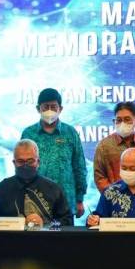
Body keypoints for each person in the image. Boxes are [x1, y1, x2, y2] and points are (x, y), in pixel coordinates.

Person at [21, 88, 87, 218]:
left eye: (53, 107)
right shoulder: (28, 134)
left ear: (60, 109)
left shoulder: (70, 133)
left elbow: (79, 167)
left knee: (66, 238)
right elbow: (22, 168)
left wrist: (79, 199)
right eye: (45, 107)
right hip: (35, 201)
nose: (49, 110)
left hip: (66, 201)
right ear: (38, 109)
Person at [0, 139, 73, 226]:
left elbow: (68, 221)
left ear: (38, 162)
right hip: (9, 239)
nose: (25, 165)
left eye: (30, 161)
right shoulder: (3, 188)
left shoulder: (54, 189)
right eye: (20, 161)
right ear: (14, 163)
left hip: (45, 239)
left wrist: (47, 224)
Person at [94, 101, 135, 192]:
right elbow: (100, 177)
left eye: (127, 119)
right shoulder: (104, 146)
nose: (123, 123)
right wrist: (116, 198)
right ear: (114, 122)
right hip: (115, 202)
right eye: (119, 120)